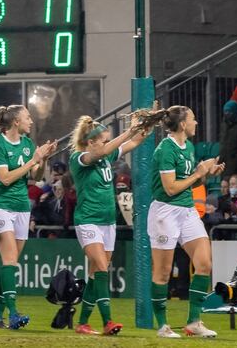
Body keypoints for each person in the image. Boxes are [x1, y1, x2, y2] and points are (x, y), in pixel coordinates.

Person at [69, 114, 149, 336]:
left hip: (107, 221)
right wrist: (129, 131)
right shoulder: (79, 158)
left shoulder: (105, 156)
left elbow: (133, 143)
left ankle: (83, 323)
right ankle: (108, 321)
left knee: (96, 274)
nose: (106, 144)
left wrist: (145, 127)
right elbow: (104, 150)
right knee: (102, 268)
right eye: (103, 140)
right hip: (88, 220)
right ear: (91, 142)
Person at [148, 106, 225, 338]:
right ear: (182, 124)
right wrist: (198, 173)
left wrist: (206, 175)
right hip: (165, 212)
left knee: (204, 263)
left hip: (186, 210)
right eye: (193, 118)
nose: (196, 122)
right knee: (162, 272)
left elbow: (186, 184)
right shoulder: (165, 150)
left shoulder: (188, 147)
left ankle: (193, 322)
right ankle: (162, 326)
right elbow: (170, 188)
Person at [0, 105, 56, 330]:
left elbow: (35, 177)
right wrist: (32, 160)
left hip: (22, 207)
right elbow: (5, 179)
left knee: (11, 263)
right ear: (16, 121)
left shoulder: (27, 144)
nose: (31, 121)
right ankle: (13, 314)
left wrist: (43, 159)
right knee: (9, 261)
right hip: (1, 207)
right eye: (27, 117)